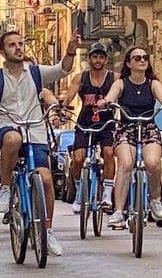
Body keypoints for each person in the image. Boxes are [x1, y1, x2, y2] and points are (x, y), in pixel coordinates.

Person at [0, 31, 80, 257]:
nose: (18, 48)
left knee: (45, 179)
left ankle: (47, 231)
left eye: (20, 43)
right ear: (3, 52)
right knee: (13, 139)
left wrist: (71, 49)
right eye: (12, 45)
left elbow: (62, 69)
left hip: (35, 130)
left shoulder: (35, 73)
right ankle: (5, 188)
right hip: (8, 125)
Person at [97, 46, 162, 228]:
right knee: (125, 163)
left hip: (148, 128)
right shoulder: (121, 83)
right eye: (137, 58)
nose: (142, 61)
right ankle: (118, 211)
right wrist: (105, 102)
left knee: (153, 163)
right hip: (126, 128)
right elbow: (111, 96)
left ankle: (155, 200)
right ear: (129, 63)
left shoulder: (152, 83)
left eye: (145, 57)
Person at [61, 42, 119, 214]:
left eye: (101, 57)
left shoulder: (114, 78)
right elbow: (69, 96)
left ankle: (107, 195)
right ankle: (80, 191)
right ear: (90, 58)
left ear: (106, 59)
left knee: (109, 153)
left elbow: (120, 95)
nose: (98, 60)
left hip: (107, 123)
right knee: (78, 158)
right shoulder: (81, 78)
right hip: (84, 123)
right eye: (95, 56)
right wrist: (63, 108)